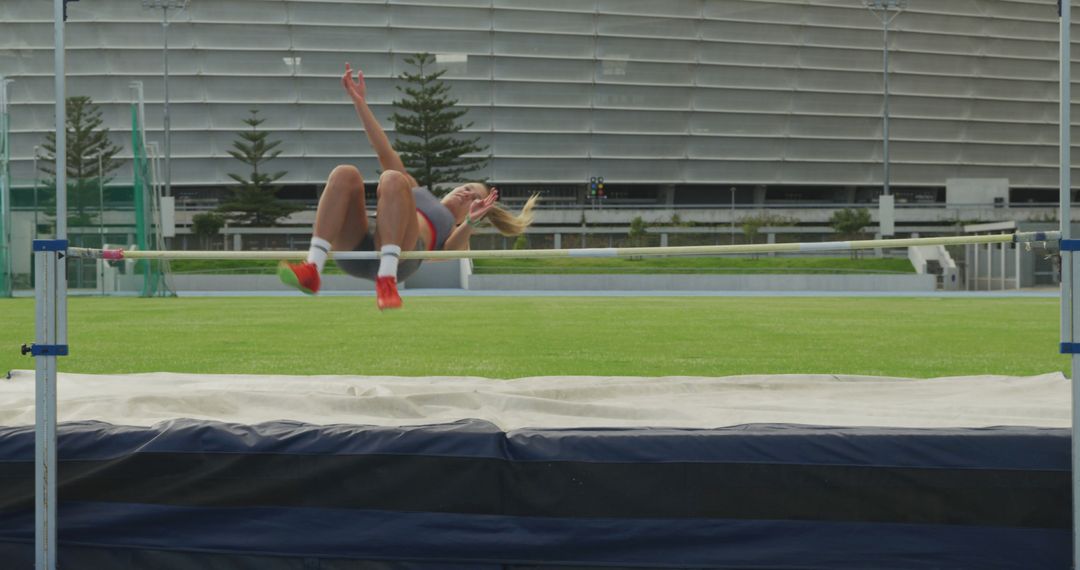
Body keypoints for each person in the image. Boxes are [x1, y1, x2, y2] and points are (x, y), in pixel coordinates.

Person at [279, 63, 538, 309]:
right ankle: (312, 268)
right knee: (345, 173)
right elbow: (383, 150)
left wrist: (469, 223)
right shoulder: (415, 189)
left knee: (393, 178)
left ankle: (387, 280)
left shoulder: (453, 229)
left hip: (401, 257)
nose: (467, 193)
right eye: (468, 187)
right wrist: (360, 103)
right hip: (362, 245)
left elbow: (448, 253)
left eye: (474, 198)